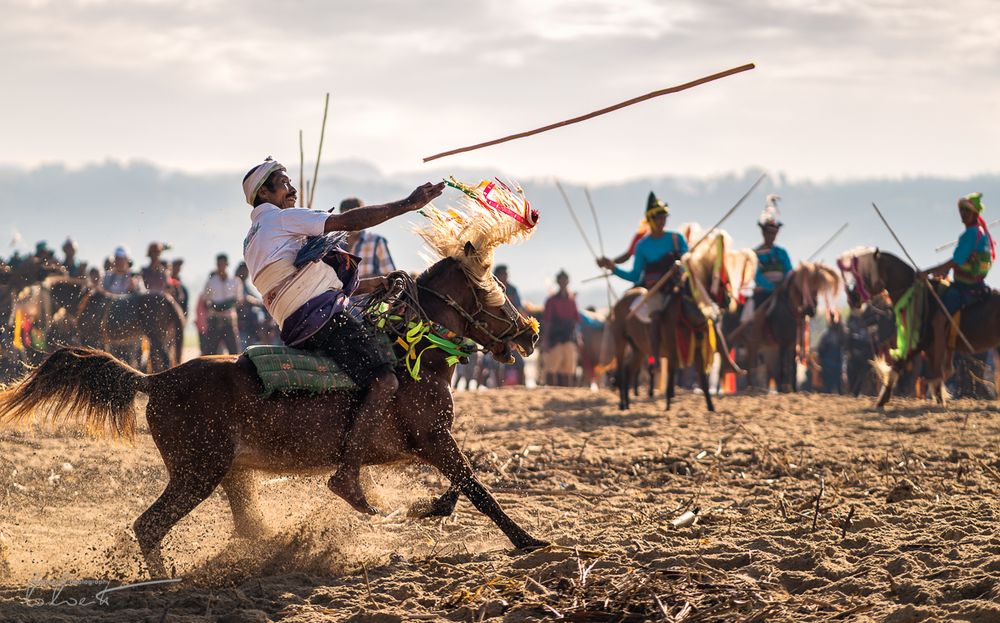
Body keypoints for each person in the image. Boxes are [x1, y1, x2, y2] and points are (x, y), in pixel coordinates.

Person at [241, 157, 444, 515]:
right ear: (266, 193)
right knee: (385, 381)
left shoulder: (252, 237)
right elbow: (348, 223)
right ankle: (348, 474)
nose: (293, 190)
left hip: (299, 326)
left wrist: (374, 284)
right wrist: (408, 204)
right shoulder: (282, 218)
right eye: (285, 184)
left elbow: (306, 285)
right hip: (323, 321)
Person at [596, 192, 689, 357]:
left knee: (705, 313)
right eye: (658, 218)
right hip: (657, 290)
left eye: (664, 217)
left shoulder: (677, 239)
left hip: (680, 287)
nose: (662, 221)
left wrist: (680, 266)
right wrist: (613, 267)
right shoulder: (641, 243)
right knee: (656, 316)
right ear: (650, 219)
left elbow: (689, 262)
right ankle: (655, 357)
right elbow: (634, 272)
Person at [921, 192, 995, 379]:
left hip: (964, 288)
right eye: (961, 211)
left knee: (938, 321)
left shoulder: (971, 234)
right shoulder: (980, 233)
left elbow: (956, 261)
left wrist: (928, 271)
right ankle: (946, 363)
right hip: (977, 286)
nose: (963, 214)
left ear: (975, 214)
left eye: (967, 211)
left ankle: (941, 369)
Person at [752, 195, 793, 310]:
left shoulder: (782, 253)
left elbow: (789, 271)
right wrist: (771, 287)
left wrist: (783, 285)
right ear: (763, 233)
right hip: (762, 294)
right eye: (769, 233)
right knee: (757, 316)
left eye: (774, 233)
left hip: (782, 293)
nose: (771, 236)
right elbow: (756, 275)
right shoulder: (755, 254)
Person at [340, 197, 398, 279]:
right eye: (349, 217)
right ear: (341, 218)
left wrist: (366, 281)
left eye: (359, 216)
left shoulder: (376, 241)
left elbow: (390, 276)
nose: (354, 221)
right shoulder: (335, 244)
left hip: (371, 292)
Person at [541, 270, 580, 386]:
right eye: (561, 279)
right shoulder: (551, 300)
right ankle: (551, 392)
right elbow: (547, 321)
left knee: (567, 371)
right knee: (551, 370)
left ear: (568, 281)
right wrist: (546, 339)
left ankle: (566, 393)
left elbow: (575, 320)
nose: (563, 282)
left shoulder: (571, 299)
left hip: (568, 338)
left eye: (565, 279)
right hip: (555, 338)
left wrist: (577, 337)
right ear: (558, 281)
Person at [201, 253, 244, 355]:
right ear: (216, 265)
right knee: (210, 352)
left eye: (223, 264)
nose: (221, 266)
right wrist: (214, 306)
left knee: (234, 351)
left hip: (229, 319)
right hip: (214, 319)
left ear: (227, 264)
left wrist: (228, 305)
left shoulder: (235, 281)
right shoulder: (211, 282)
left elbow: (239, 301)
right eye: (219, 264)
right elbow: (205, 300)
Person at [493, 264, 525, 385]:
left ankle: (521, 386)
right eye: (503, 274)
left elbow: (518, 310)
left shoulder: (512, 290)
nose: (506, 276)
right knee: (495, 362)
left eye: (507, 274)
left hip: (511, 330)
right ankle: (498, 387)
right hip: (495, 330)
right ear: (498, 275)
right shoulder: (493, 289)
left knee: (519, 362)